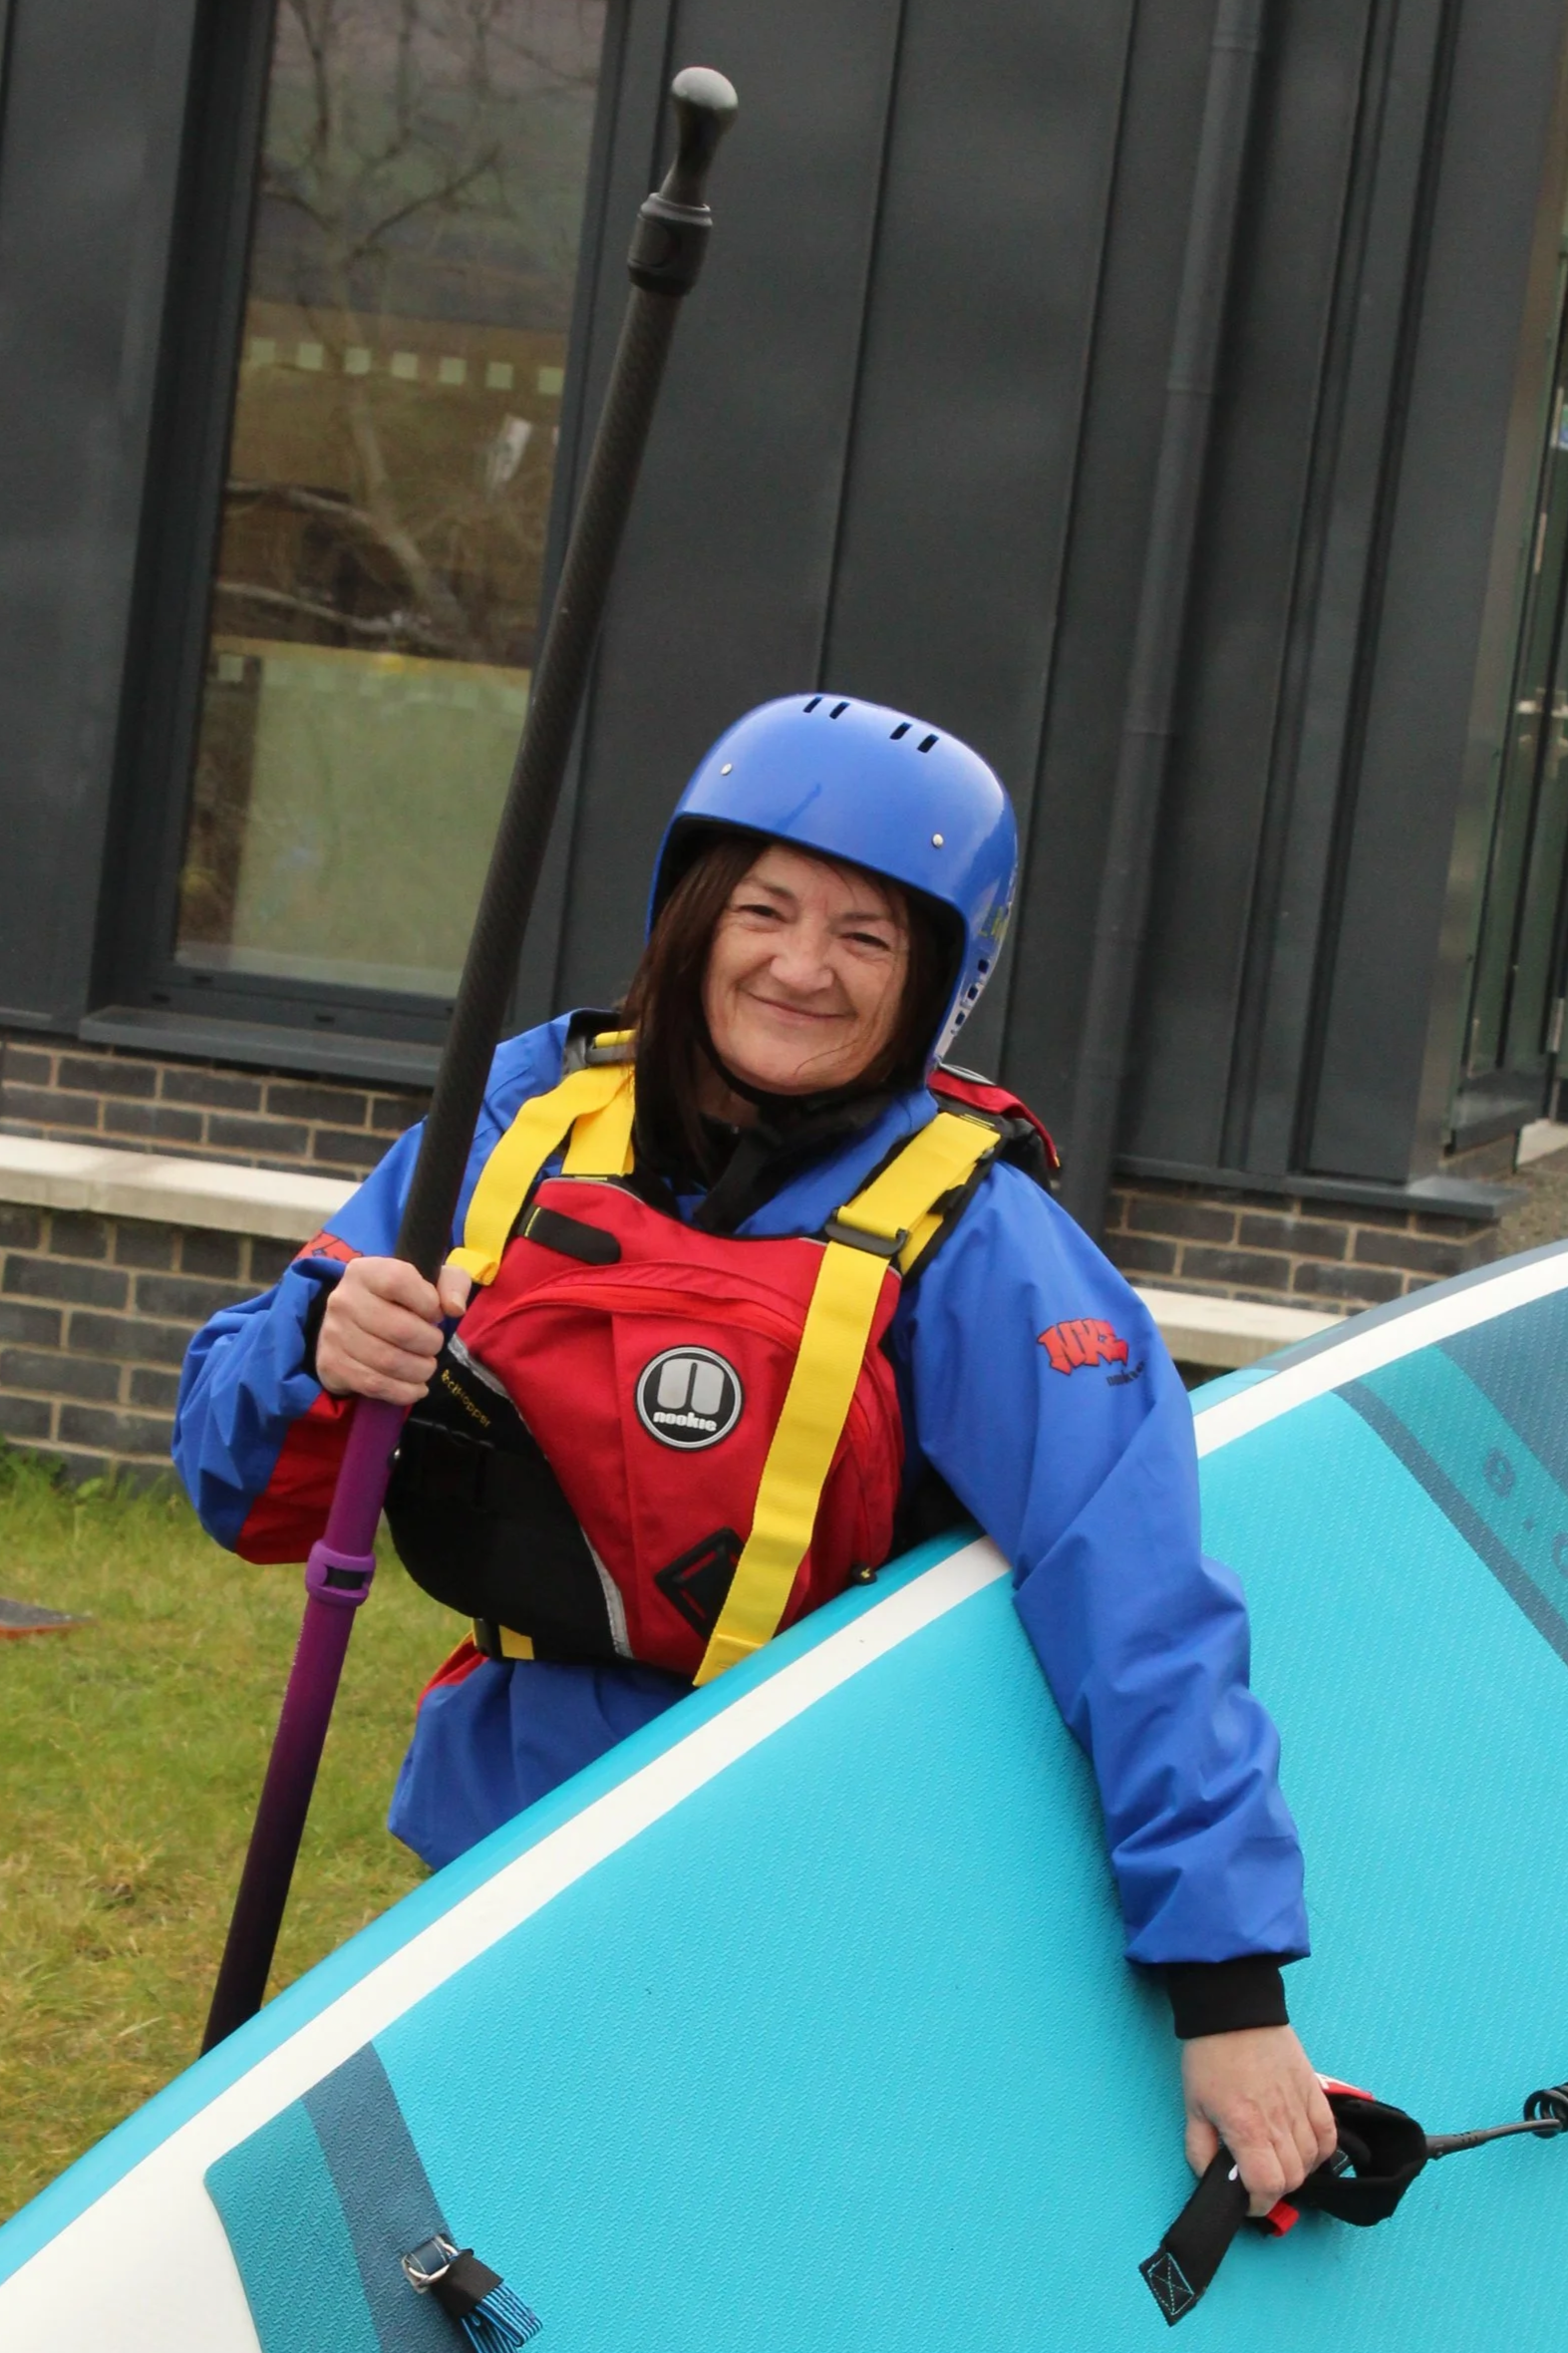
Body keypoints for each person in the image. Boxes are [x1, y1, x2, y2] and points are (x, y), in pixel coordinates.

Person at [174, 692, 1336, 2213]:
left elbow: (1141, 1603)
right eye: (766, 909)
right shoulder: (523, 1117)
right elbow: (236, 1481)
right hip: (495, 1845)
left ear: (941, 979)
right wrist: (321, 1347)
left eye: (868, 936)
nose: (801, 966)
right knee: (485, 2231)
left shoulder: (977, 1239)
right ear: (689, 915)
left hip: (796, 1862)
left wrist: (1228, 1994)